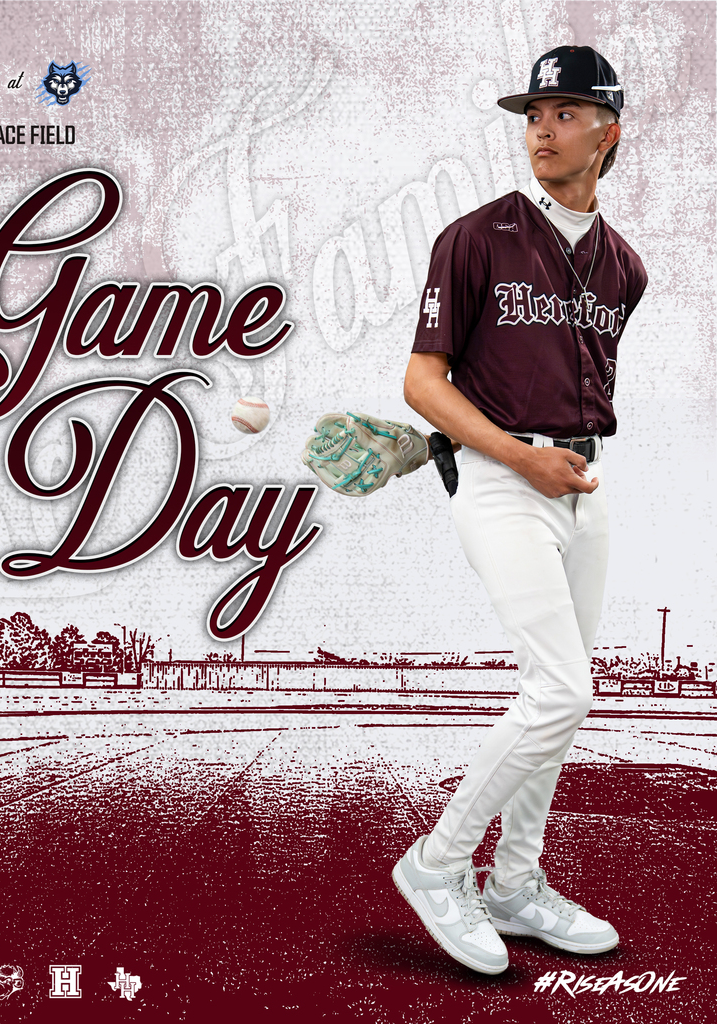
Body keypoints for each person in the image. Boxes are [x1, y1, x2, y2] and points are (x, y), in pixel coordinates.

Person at [392, 45, 648, 975]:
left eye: (564, 112)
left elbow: (570, 389)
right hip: (502, 478)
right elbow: (424, 381)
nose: (541, 127)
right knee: (561, 688)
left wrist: (563, 466)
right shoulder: (475, 238)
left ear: (606, 133)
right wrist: (509, 455)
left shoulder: (624, 268)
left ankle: (514, 885)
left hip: (582, 484)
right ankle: (435, 864)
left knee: (562, 705)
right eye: (533, 114)